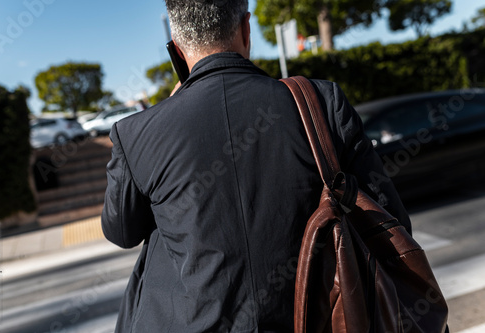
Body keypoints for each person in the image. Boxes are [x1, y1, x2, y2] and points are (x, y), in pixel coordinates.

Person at [101, 1, 412, 332]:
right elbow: (392, 221)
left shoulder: (136, 133)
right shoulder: (323, 103)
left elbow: (120, 231)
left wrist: (166, 111)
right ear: (246, 29)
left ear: (176, 48)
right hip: (320, 319)